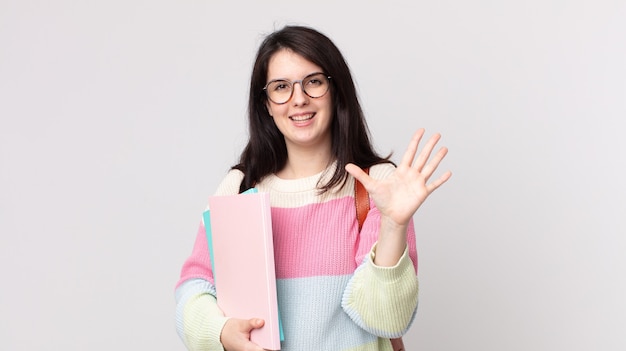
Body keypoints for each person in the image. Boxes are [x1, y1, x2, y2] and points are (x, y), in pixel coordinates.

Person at [175, 25, 451, 351]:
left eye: (314, 82)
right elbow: (193, 289)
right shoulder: (239, 187)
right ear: (265, 103)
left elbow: (387, 320)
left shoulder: (375, 183)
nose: (299, 99)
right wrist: (221, 332)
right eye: (281, 87)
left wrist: (394, 225)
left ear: (336, 91)